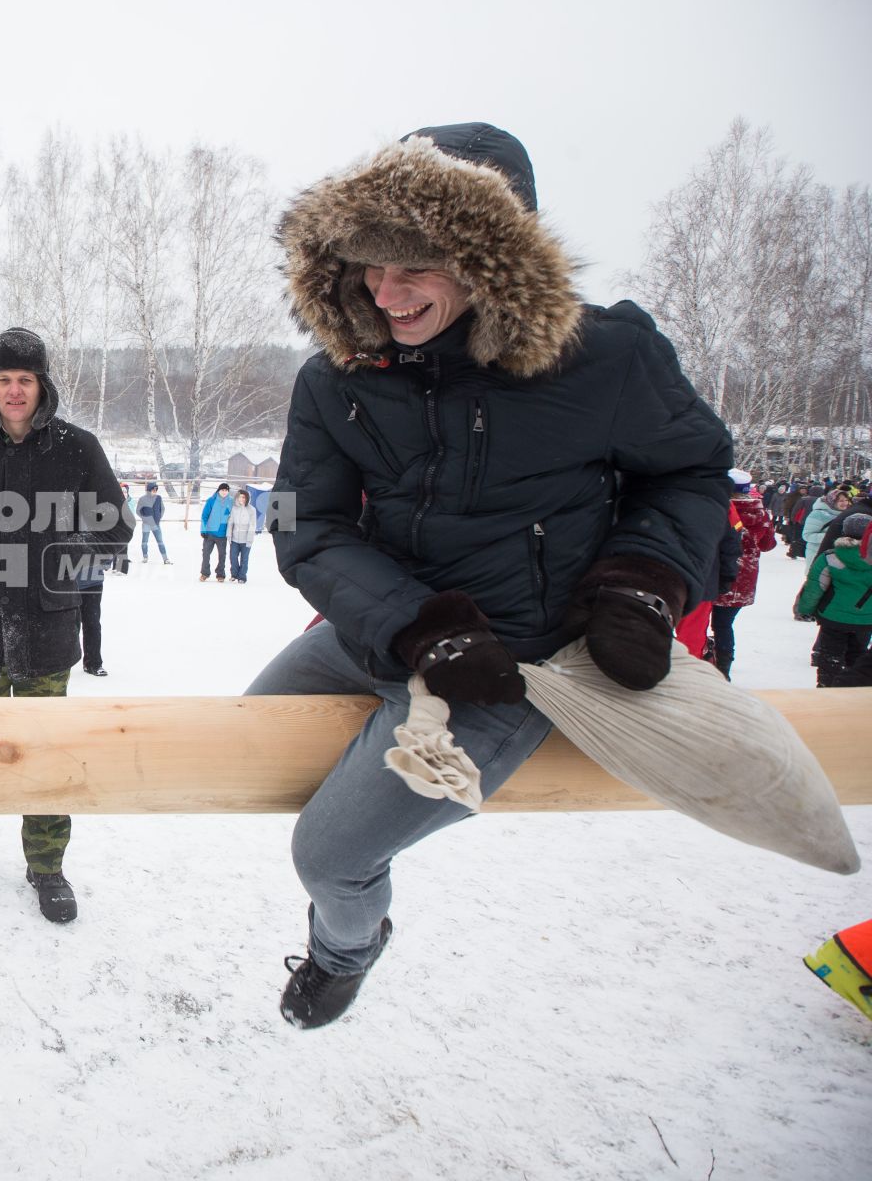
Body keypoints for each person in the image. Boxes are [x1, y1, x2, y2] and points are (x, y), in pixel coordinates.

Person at [248, 123, 731, 1030]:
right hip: (385, 634)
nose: (385, 295)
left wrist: (644, 580)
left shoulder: (609, 359)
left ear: (490, 256)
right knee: (246, 742)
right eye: (366, 267)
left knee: (331, 856)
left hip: (507, 671)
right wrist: (411, 622)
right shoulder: (335, 378)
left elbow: (693, 471)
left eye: (414, 267)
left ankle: (345, 948)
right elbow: (305, 522)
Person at [0, 328, 131, 923]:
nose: (15, 391)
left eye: (25, 379)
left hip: (49, 632)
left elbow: (116, 533)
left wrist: (55, 566)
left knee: (46, 754)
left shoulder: (77, 448)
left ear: (43, 385)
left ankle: (46, 865)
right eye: (4, 380)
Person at [709, 470, 776, 678]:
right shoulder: (761, 513)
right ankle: (724, 666)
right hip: (744, 579)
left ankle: (702, 659)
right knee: (725, 624)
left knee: (698, 621)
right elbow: (768, 545)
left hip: (715, 575)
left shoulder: (718, 510)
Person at [796, 512, 872, 687]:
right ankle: (854, 690)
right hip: (866, 618)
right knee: (859, 655)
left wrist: (805, 609)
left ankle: (827, 687)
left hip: (833, 617)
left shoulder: (831, 556)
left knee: (830, 655)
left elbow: (816, 587)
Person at [199, 482, 232, 581]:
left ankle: (220, 574)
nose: (224, 492)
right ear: (218, 490)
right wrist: (203, 530)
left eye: (226, 490)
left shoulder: (231, 501)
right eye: (222, 490)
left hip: (222, 534)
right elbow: (204, 516)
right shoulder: (211, 500)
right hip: (210, 533)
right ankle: (205, 573)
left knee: (222, 555)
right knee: (206, 553)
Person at [228, 488, 259, 584]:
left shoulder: (251, 510)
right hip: (235, 539)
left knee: (244, 559)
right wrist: (229, 535)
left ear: (247, 498)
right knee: (233, 557)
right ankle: (234, 574)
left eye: (243, 497)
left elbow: (252, 525)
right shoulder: (234, 508)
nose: (241, 499)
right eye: (240, 497)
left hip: (246, 539)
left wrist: (250, 539)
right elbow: (230, 523)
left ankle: (242, 577)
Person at [137, 482, 168, 563]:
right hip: (146, 524)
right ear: (149, 489)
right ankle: (145, 557)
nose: (155, 491)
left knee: (160, 541)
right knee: (144, 542)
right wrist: (144, 518)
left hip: (156, 524)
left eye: (156, 489)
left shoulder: (159, 498)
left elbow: (162, 509)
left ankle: (165, 559)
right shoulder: (142, 499)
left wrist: (158, 517)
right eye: (153, 489)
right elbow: (138, 511)